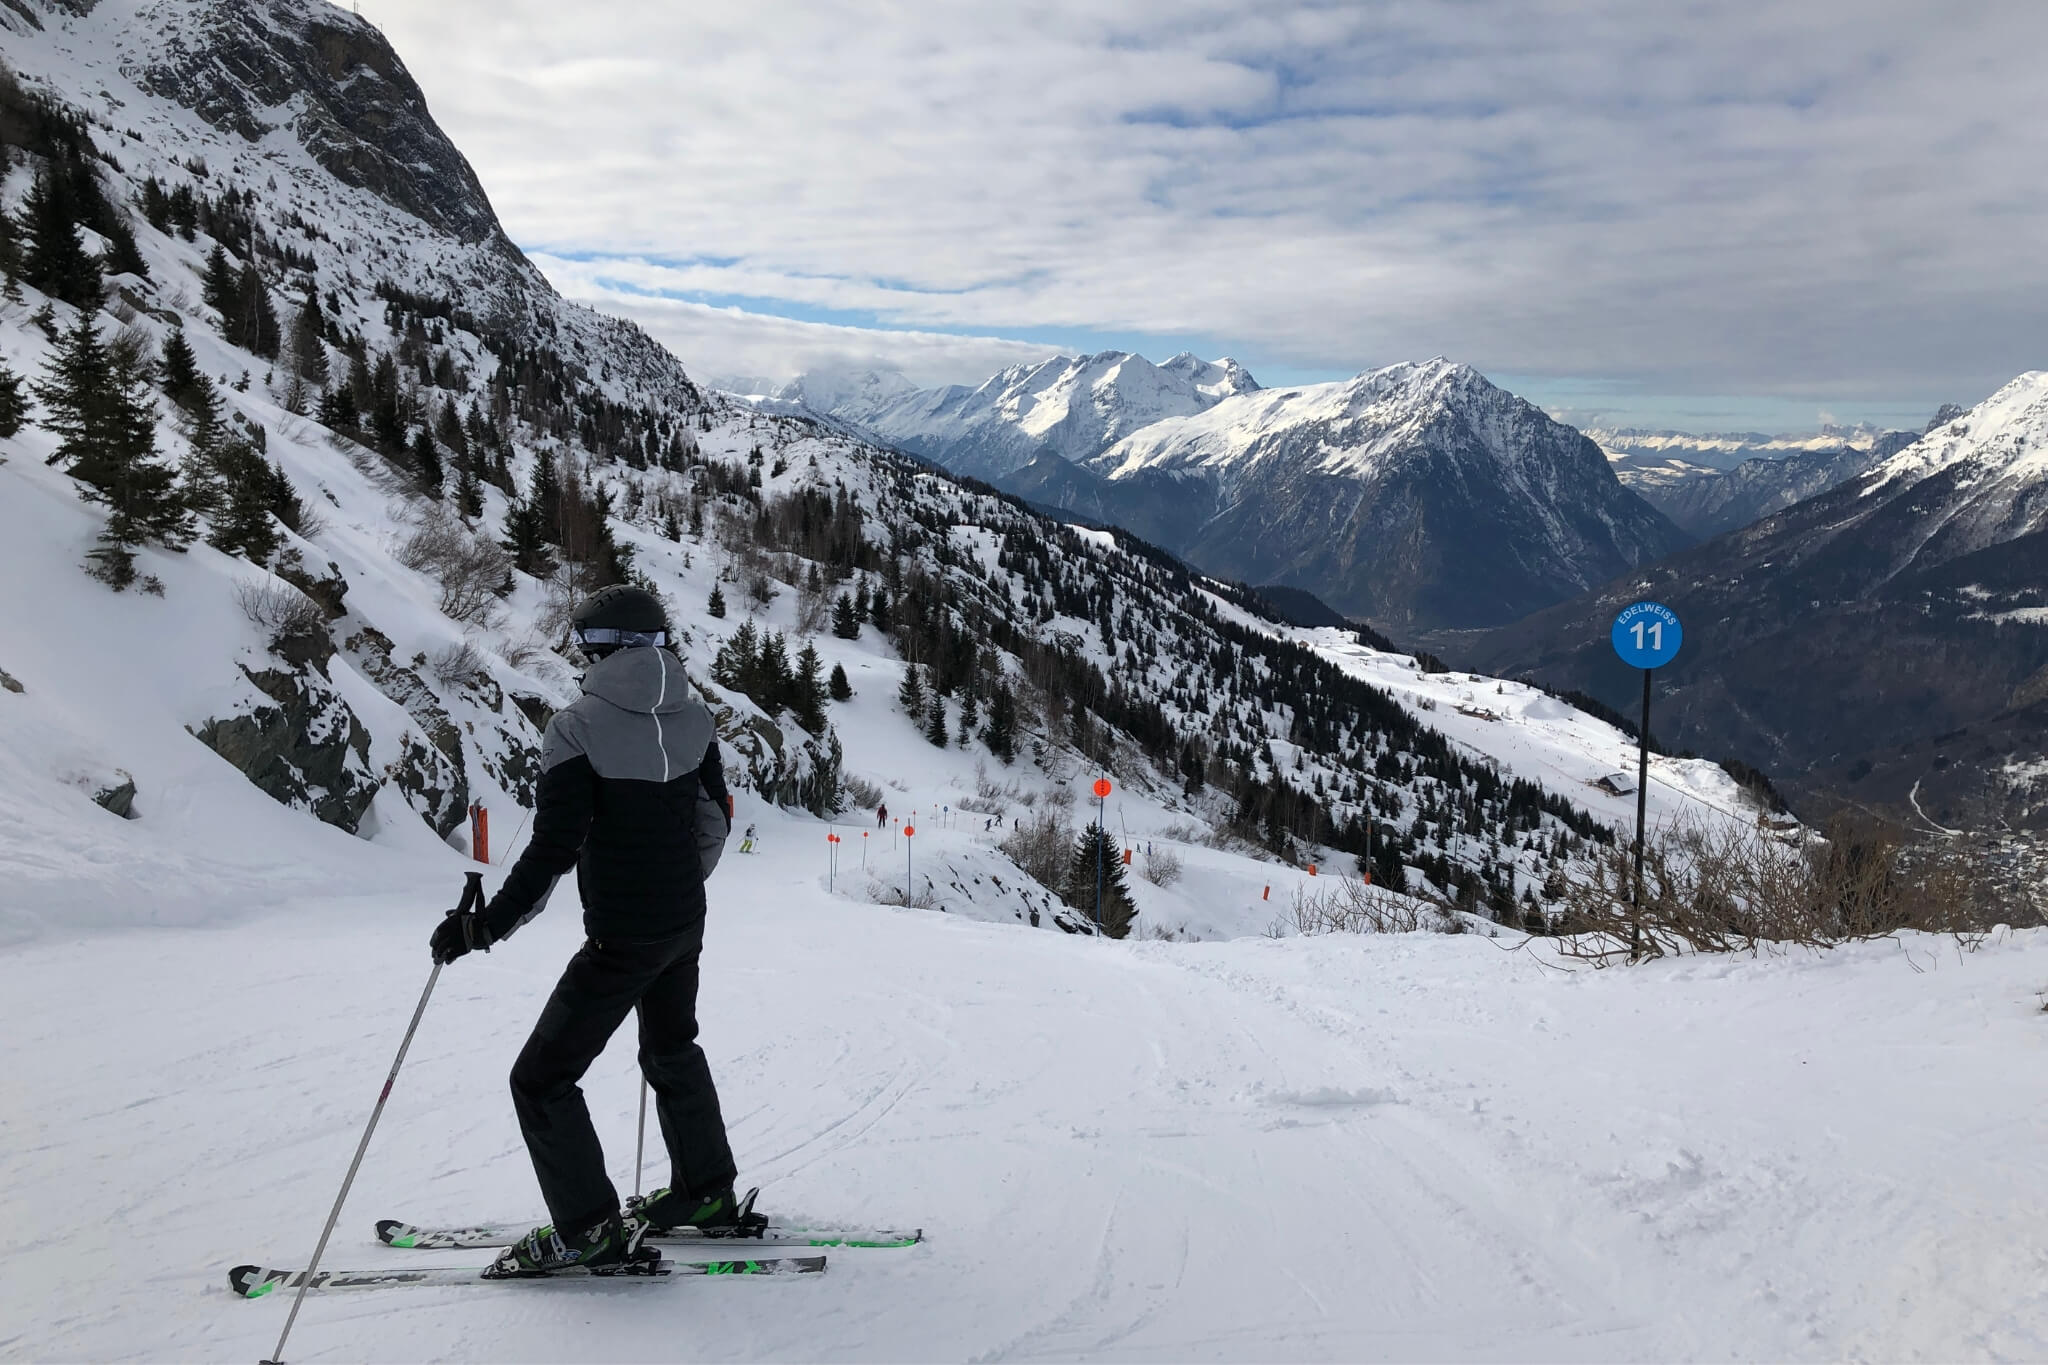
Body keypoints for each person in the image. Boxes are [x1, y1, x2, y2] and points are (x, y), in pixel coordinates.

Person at [430, 585, 742, 1274]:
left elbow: (553, 849)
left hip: (621, 935)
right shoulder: (696, 716)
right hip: (683, 922)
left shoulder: (576, 726)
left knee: (540, 1080)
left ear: (602, 647)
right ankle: (707, 1193)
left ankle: (588, 1228)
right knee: (671, 1047)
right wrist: (677, 885)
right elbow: (714, 820)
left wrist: (484, 927)